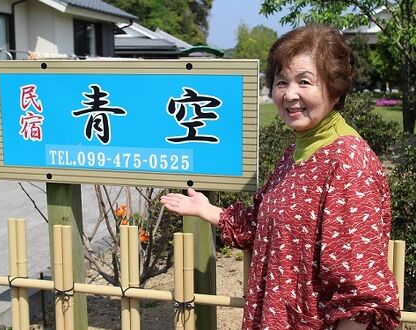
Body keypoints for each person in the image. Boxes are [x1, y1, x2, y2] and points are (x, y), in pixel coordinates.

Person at [160, 24, 401, 329]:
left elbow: (359, 296)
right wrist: (207, 210)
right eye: (281, 82)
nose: (289, 94)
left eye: (305, 81)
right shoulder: (296, 152)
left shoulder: (348, 163)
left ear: (335, 87)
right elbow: (268, 227)